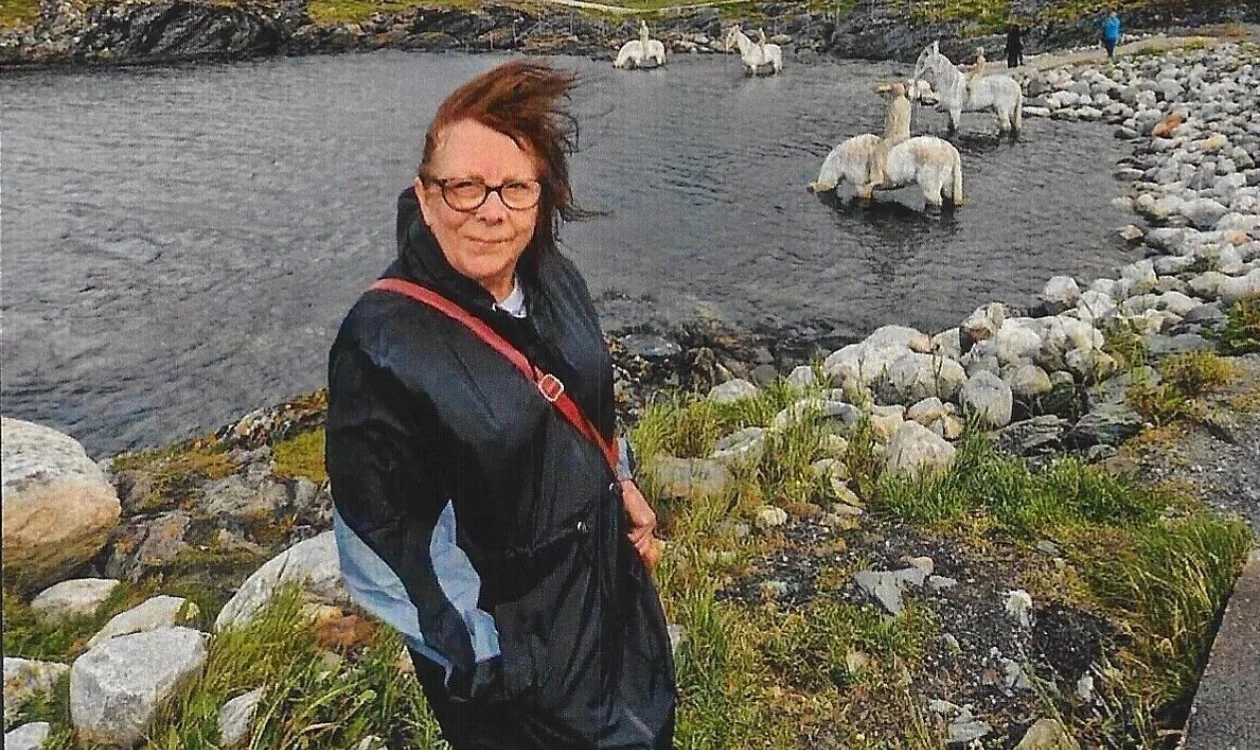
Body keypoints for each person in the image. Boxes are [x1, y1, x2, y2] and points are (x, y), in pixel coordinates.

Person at [326, 60, 677, 750]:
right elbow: (379, 530)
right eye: (465, 187)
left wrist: (622, 479)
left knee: (645, 723)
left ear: (539, 197)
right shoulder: (381, 343)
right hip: (513, 645)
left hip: (606, 584)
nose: (491, 210)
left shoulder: (553, 279)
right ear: (425, 198)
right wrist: (489, 660)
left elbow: (581, 394)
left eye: (514, 188)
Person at [862, 81, 912, 199]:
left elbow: (892, 124)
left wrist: (885, 136)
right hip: (906, 134)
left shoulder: (895, 104)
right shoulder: (907, 103)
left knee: (878, 151)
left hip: (896, 136)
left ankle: (877, 177)